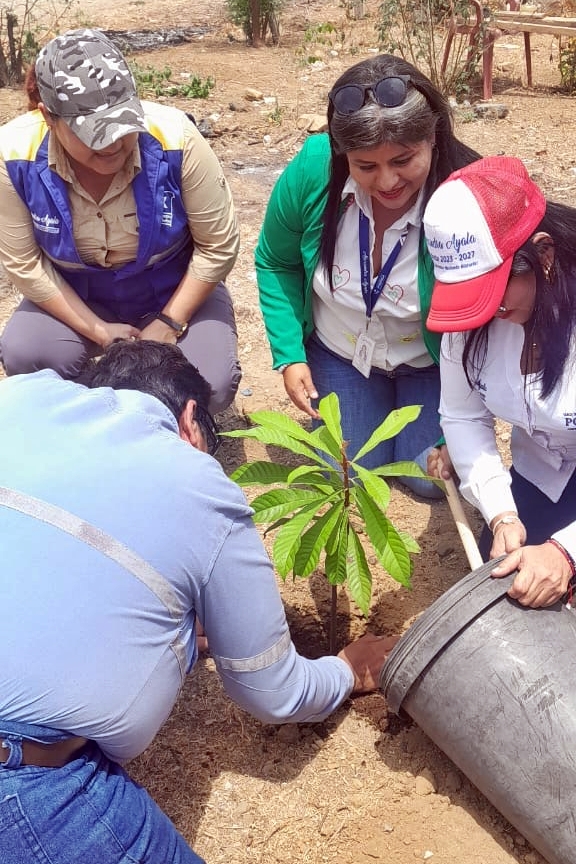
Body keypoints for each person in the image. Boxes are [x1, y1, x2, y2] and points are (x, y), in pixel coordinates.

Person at [0, 338, 398, 864]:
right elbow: (274, 692)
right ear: (190, 420)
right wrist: (346, 671)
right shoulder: (198, 481)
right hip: (25, 784)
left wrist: (179, 637)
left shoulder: (17, 398)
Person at [255, 53, 480, 497]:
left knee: (428, 479)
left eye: (403, 160)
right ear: (344, 155)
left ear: (432, 137)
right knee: (348, 474)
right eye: (366, 166)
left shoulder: (465, 193)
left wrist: (468, 415)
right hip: (343, 353)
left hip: (431, 364)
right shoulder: (314, 170)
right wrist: (290, 354)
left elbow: (492, 316)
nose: (387, 182)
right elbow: (276, 261)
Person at [0, 28, 241, 414]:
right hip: (78, 293)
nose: (113, 144)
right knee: (27, 353)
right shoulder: (13, 154)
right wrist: (97, 330)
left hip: (172, 287)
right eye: (94, 133)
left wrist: (169, 322)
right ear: (49, 117)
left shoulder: (177, 138)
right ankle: (87, 417)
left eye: (122, 124)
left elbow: (218, 246)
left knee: (209, 382)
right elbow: (25, 264)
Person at [422, 155, 576, 608]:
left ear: (544, 255)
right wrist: (501, 511)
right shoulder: (469, 326)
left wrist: (566, 552)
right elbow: (463, 416)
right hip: (543, 471)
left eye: (494, 291)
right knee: (511, 589)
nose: (487, 311)